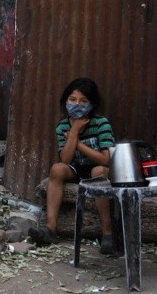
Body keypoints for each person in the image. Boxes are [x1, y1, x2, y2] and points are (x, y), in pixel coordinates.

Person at [29, 77, 116, 255]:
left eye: (83, 101)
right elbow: (66, 159)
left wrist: (78, 143)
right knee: (57, 169)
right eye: (73, 99)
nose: (77, 105)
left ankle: (107, 233)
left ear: (92, 104)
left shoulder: (101, 123)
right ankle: (50, 228)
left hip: (97, 169)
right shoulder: (62, 126)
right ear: (66, 101)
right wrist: (74, 130)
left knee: (98, 171)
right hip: (76, 167)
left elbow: (105, 160)